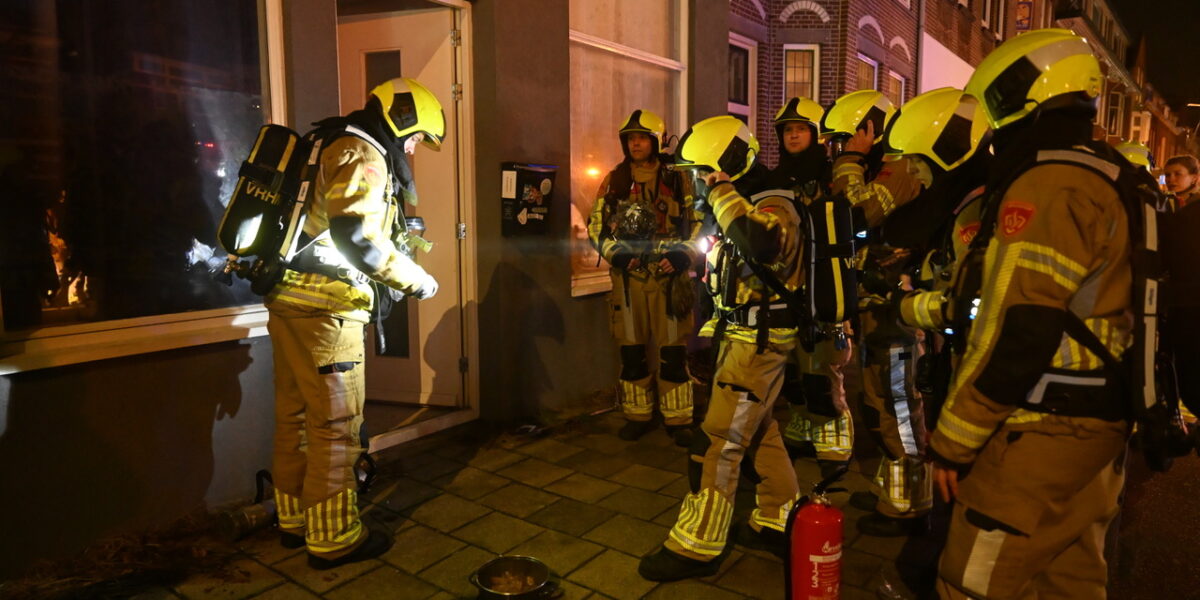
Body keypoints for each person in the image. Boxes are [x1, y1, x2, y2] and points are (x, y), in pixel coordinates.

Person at [929, 29, 1134, 598]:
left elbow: (1021, 328)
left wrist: (954, 440)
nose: (996, 128)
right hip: (1098, 425)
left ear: (1030, 94)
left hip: (1042, 427)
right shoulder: (1111, 173)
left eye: (999, 105)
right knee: (1067, 581)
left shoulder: (1050, 183)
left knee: (969, 579)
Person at [265, 77, 442, 569]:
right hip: (327, 312)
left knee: (295, 418)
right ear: (402, 119)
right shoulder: (363, 153)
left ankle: (294, 521)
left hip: (287, 300)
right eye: (415, 138)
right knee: (336, 426)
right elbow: (358, 239)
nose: (413, 149)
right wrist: (418, 281)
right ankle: (334, 538)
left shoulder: (327, 141)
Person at [639, 116, 802, 581]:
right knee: (760, 431)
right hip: (744, 337)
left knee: (716, 441)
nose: (694, 182)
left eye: (699, 172)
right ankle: (779, 518)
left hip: (758, 343)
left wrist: (721, 191)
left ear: (721, 167)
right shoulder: (743, 201)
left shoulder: (773, 203)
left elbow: (762, 243)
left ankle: (698, 545)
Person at [847, 88, 993, 537]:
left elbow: (967, 301)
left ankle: (910, 503)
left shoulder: (973, 208)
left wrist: (905, 300)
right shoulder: (952, 202)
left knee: (899, 408)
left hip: (909, 328)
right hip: (900, 322)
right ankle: (898, 491)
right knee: (887, 404)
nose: (910, 172)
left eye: (917, 161)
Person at [587, 109, 701, 446]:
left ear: (656, 141)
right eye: (630, 139)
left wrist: (683, 255)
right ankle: (637, 415)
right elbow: (596, 225)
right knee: (632, 351)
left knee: (673, 354)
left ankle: (678, 419)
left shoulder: (680, 178)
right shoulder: (615, 180)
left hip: (669, 279)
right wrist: (617, 254)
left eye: (642, 138)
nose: (635, 144)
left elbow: (701, 221)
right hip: (628, 280)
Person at [763, 97, 856, 481]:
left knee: (822, 372)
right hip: (784, 290)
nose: (793, 135)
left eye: (800, 129)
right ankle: (802, 428)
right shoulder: (771, 181)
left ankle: (834, 445)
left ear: (816, 135)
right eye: (787, 130)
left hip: (823, 287)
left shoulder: (832, 178)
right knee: (792, 373)